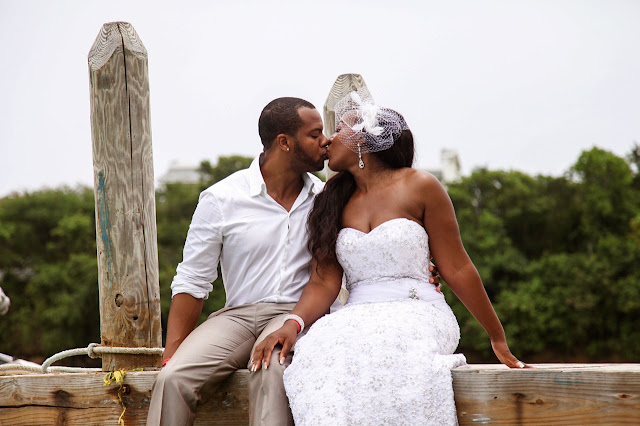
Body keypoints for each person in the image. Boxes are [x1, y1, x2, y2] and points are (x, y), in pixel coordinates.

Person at [146, 95, 443, 426]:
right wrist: (171, 353)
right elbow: (193, 281)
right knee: (173, 378)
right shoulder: (221, 199)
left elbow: (367, 250)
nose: (325, 141)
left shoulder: (326, 199)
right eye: (315, 134)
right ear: (284, 143)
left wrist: (418, 272)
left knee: (271, 365)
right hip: (236, 316)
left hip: (298, 312)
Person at [251, 90, 527, 425]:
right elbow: (324, 280)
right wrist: (292, 325)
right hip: (355, 315)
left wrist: (496, 337)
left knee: (390, 347)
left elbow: (456, 267)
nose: (329, 139)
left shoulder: (421, 186)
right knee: (317, 350)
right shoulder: (330, 202)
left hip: (417, 310)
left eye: (339, 130)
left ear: (363, 142)